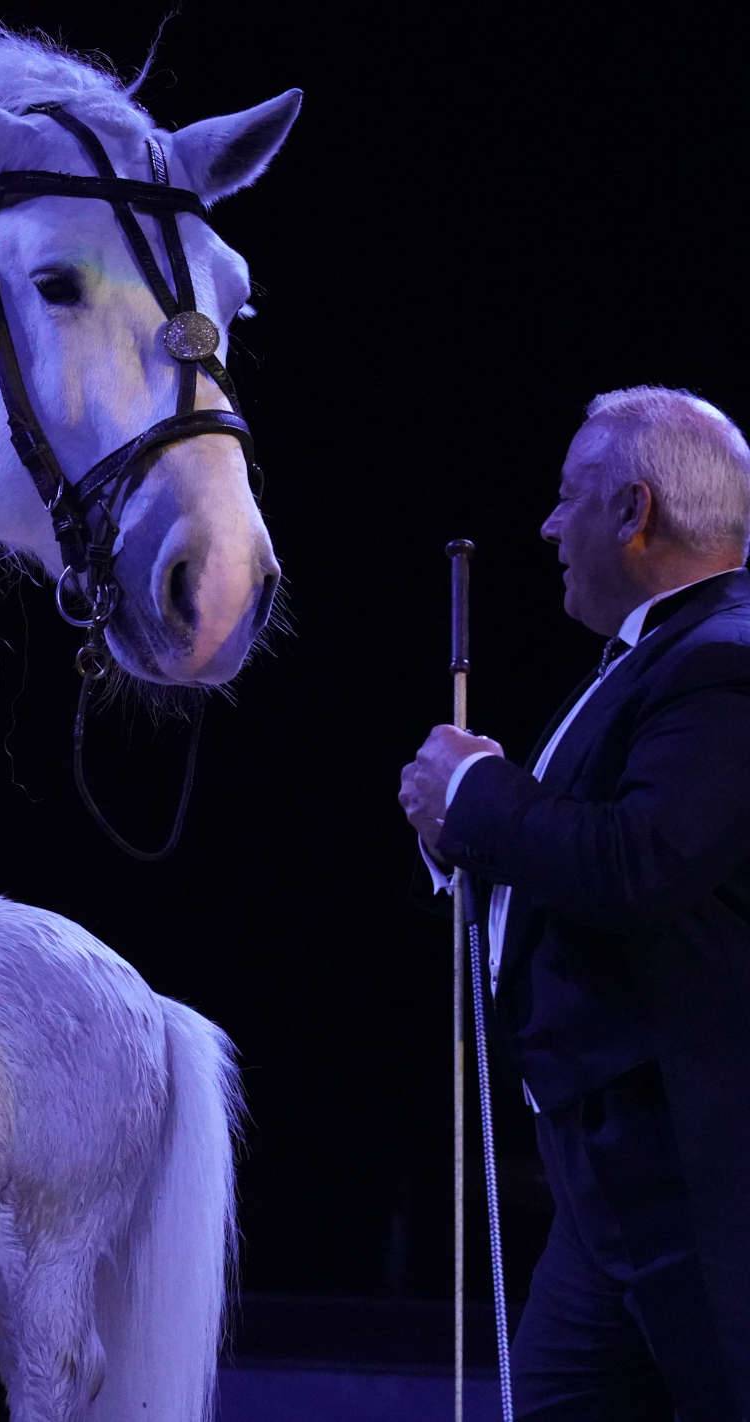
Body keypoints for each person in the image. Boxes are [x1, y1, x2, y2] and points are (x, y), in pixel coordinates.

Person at [399, 386, 749, 1419]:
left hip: (691, 1172)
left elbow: (639, 862)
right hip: (611, 1186)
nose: (549, 527)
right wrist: (454, 830)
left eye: (567, 499)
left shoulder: (725, 662)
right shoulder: (655, 658)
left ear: (632, 511)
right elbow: (579, 857)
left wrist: (474, 793)